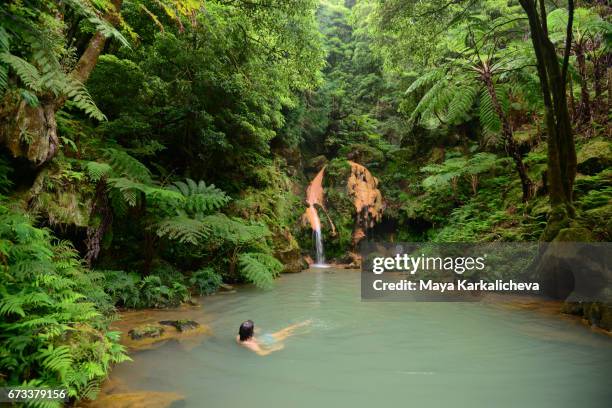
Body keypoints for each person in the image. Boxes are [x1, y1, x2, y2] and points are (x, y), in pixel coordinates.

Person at [236, 319, 312, 356]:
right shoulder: (251, 345)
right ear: (250, 333)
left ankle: (302, 328)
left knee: (285, 333)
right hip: (265, 341)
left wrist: (254, 332)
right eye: (253, 328)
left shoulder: (239, 337)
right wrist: (274, 348)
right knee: (286, 333)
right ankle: (302, 328)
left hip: (263, 339)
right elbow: (262, 353)